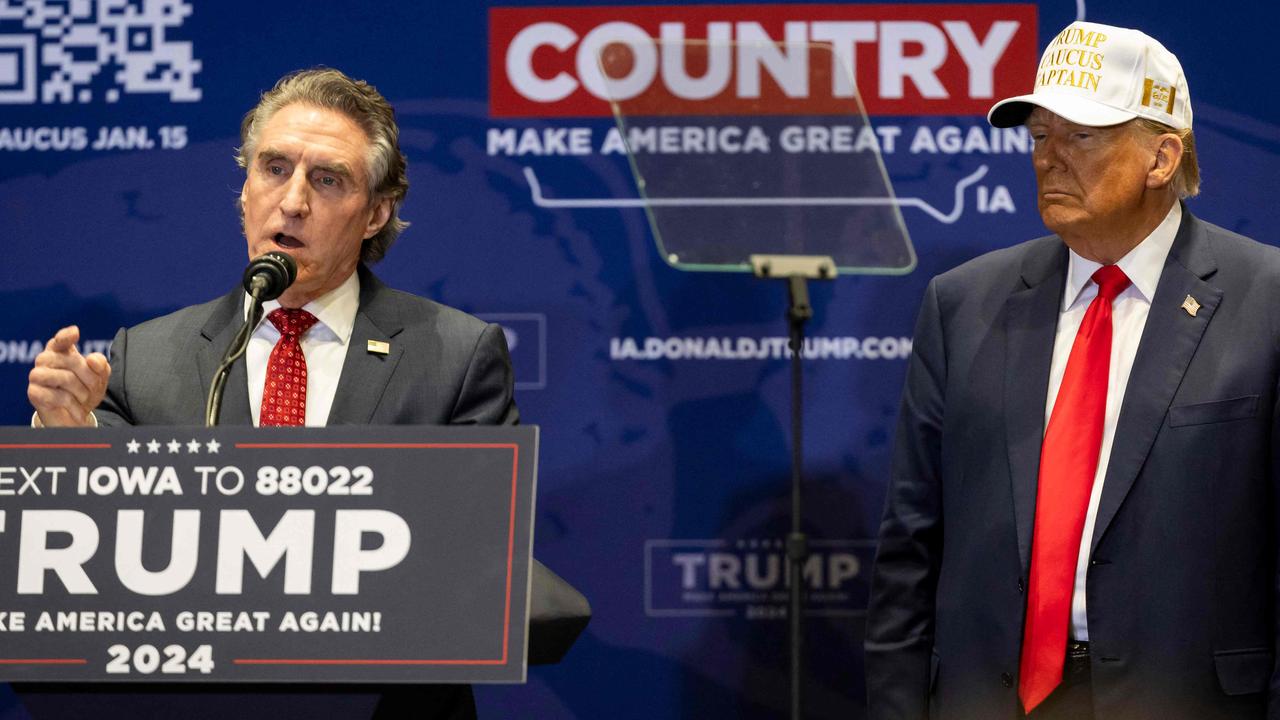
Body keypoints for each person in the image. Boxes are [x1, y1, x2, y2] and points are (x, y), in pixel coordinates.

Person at [23, 68, 517, 720]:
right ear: (246, 187)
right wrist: (66, 436)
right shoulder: (144, 358)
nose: (292, 201)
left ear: (375, 213)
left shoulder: (455, 355)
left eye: (327, 179)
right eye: (274, 168)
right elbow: (94, 561)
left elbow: (475, 563)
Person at [865, 21, 1280, 719]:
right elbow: (910, 550)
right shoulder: (962, 303)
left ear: (1161, 157)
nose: (1049, 158)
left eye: (1081, 136)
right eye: (1039, 137)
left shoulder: (1266, 301)